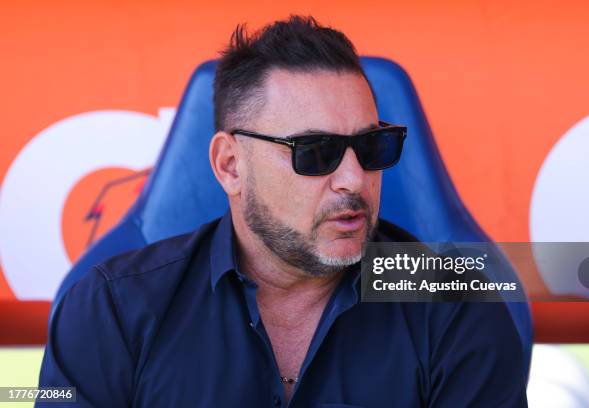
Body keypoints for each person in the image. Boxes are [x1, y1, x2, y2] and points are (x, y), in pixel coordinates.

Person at [38, 16, 527, 407]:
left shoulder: (456, 307)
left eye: (373, 146)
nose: (354, 180)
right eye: (315, 152)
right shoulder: (112, 309)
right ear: (230, 166)